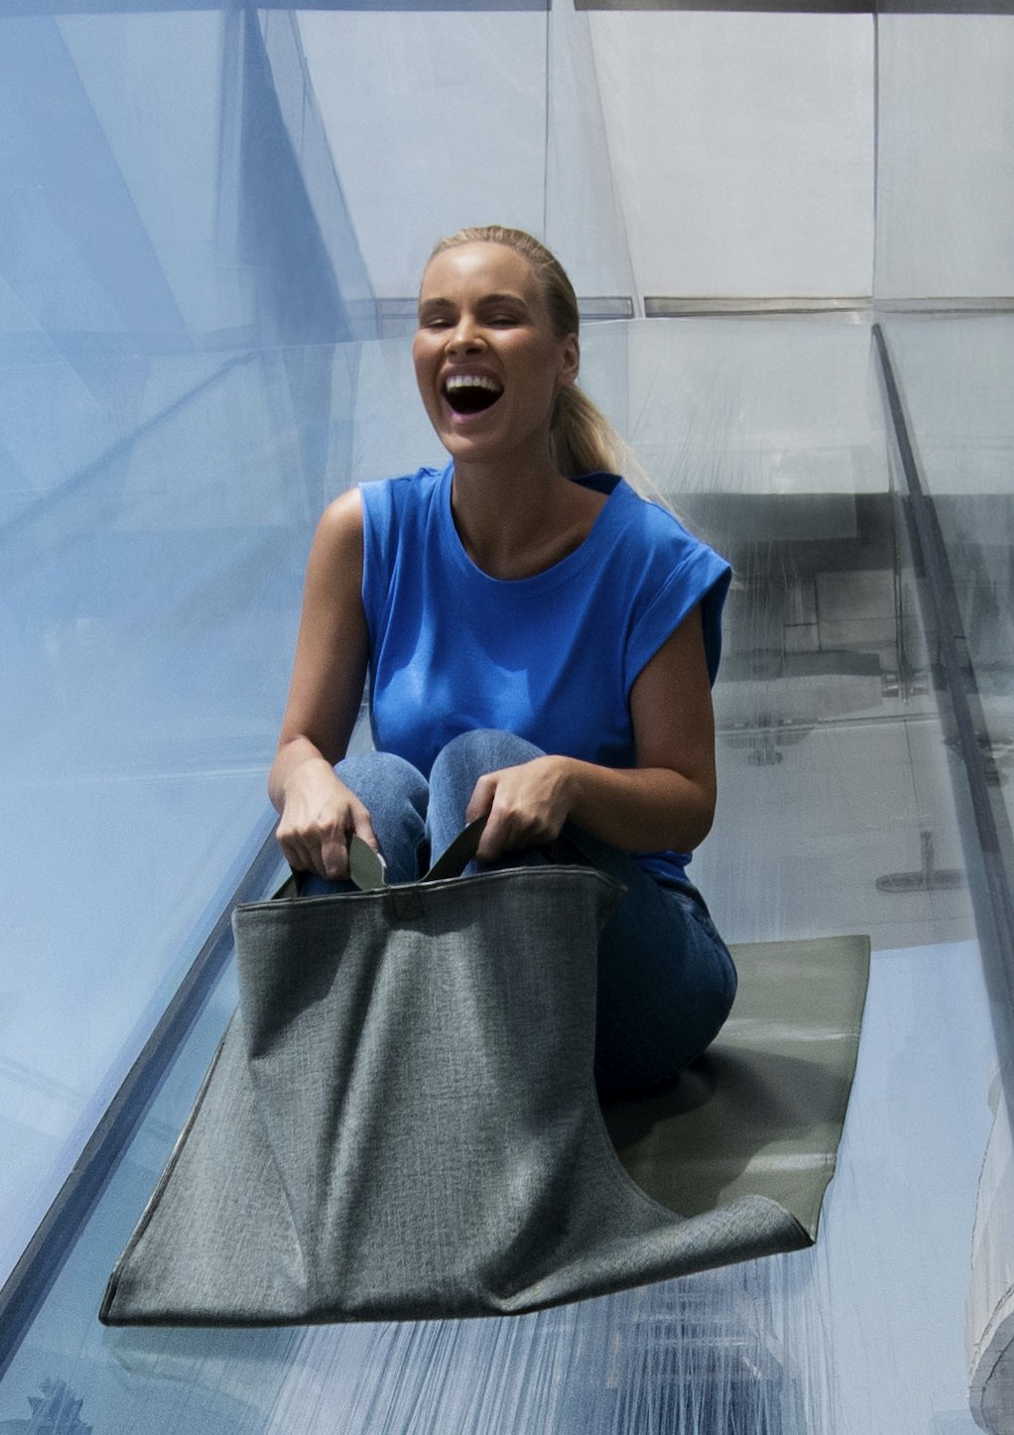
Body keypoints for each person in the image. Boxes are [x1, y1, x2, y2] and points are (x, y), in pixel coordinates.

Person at [261, 223, 742, 1096]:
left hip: (629, 972)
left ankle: (436, 1112)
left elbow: (687, 805)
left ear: (564, 359)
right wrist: (306, 783)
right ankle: (345, 1105)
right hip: (440, 978)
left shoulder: (646, 559)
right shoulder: (364, 535)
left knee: (480, 764)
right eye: (436, 318)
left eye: (500, 316)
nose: (462, 339)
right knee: (366, 787)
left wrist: (568, 785)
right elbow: (300, 745)